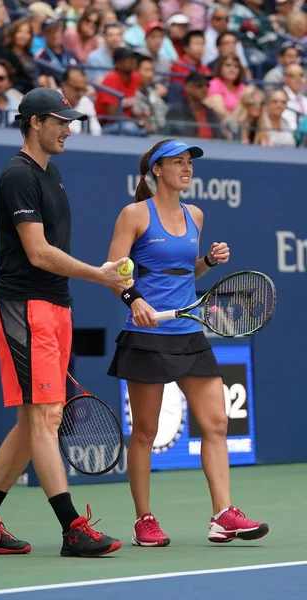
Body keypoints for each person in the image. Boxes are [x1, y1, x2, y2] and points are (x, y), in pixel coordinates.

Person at [0, 87, 131, 558]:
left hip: (55, 307)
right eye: (61, 121)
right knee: (43, 417)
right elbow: (37, 252)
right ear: (35, 122)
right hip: (25, 306)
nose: (68, 130)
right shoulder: (17, 176)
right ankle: (72, 527)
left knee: (39, 416)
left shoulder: (49, 174)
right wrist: (97, 274)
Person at [106, 138, 270, 547]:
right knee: (144, 431)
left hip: (189, 334)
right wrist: (135, 300)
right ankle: (144, 520)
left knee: (216, 422)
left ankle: (223, 515)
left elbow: (183, 273)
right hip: (146, 335)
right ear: (156, 170)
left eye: (188, 162)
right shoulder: (134, 215)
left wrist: (208, 262)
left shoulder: (194, 214)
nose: (186, 168)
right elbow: (114, 271)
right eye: (176, 162)